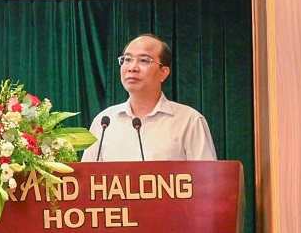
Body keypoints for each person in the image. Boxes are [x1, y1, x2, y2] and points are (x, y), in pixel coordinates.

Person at [81, 34, 216, 162]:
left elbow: (207, 176)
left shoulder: (189, 120)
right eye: (127, 60)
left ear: (163, 73)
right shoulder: (104, 122)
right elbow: (87, 176)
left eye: (144, 60)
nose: (132, 68)